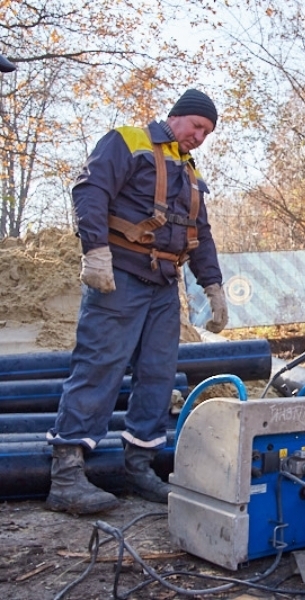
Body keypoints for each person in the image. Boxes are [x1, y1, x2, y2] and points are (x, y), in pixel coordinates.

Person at [45, 89, 229, 515]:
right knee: (99, 365)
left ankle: (138, 466)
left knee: (158, 374)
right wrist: (95, 252)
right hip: (121, 276)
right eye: (198, 127)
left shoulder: (190, 174)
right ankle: (67, 475)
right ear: (177, 117)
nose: (201, 137)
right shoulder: (128, 141)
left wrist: (213, 287)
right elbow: (90, 191)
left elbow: (200, 235)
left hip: (164, 286)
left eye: (208, 133)